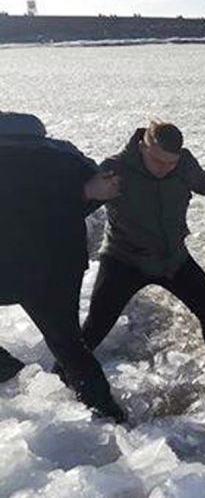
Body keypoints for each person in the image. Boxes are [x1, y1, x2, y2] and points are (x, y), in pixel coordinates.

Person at [78, 121, 205, 354]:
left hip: (172, 259)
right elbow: (76, 208)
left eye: (171, 163)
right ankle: (61, 378)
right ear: (142, 147)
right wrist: (84, 194)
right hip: (124, 260)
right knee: (94, 329)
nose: (164, 169)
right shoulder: (116, 170)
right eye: (158, 161)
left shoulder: (184, 166)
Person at [0, 112, 126, 421]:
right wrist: (75, 199)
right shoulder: (66, 154)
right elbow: (102, 192)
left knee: (68, 344)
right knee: (68, 344)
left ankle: (9, 370)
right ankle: (107, 414)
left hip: (8, 266)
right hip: (57, 267)